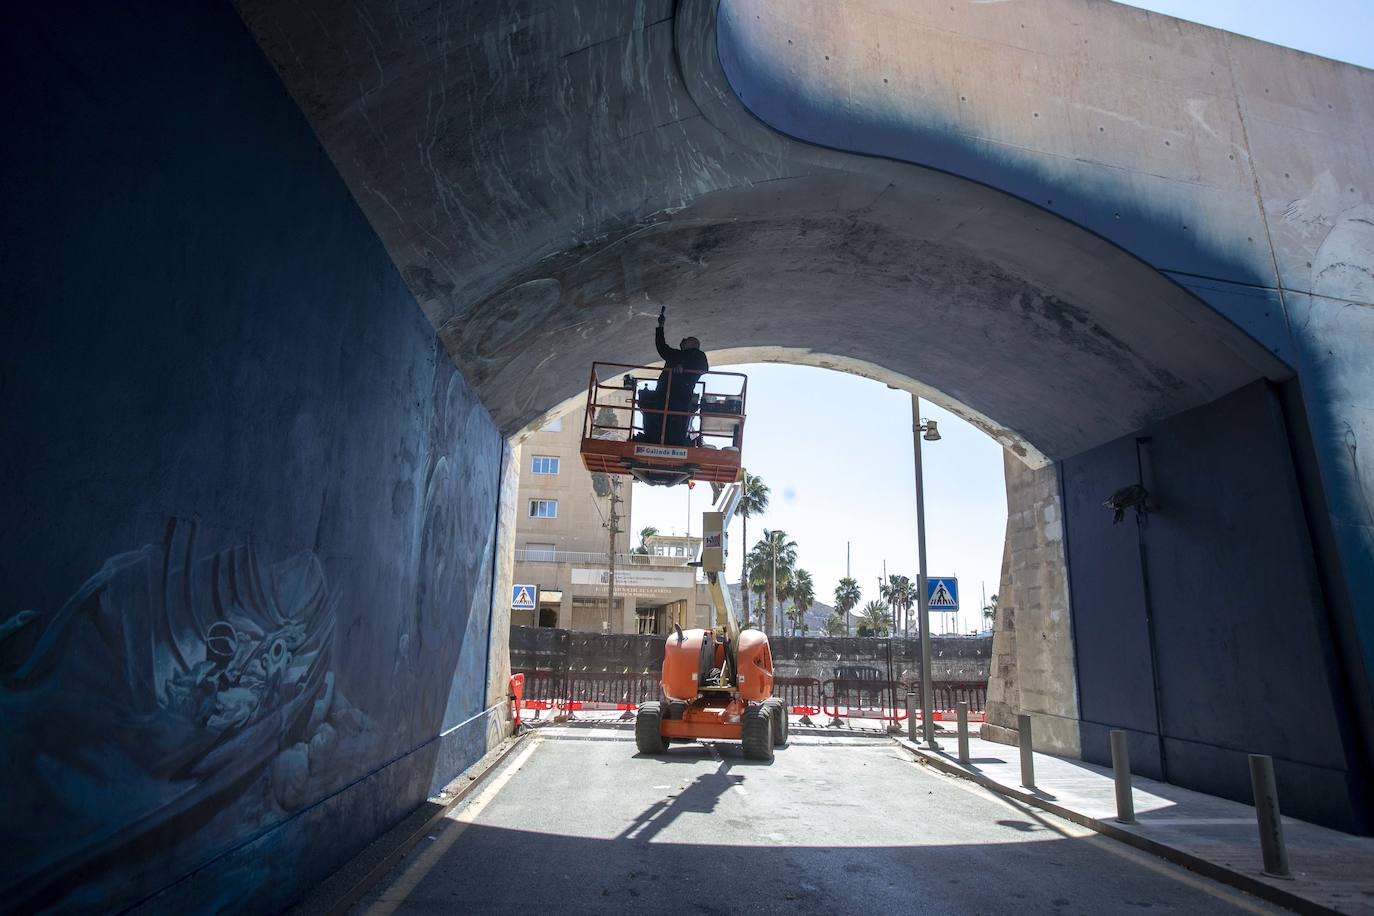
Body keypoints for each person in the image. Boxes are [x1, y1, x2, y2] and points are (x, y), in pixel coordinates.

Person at [642, 307, 708, 445]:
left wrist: (684, 369)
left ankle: (675, 442)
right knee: (659, 418)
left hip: (680, 394)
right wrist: (660, 326)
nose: (684, 339)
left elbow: (703, 369)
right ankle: (655, 439)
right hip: (663, 392)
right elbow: (662, 347)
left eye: (688, 339)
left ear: (695, 344)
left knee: (677, 420)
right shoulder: (675, 354)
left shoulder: (698, 355)